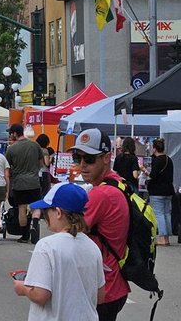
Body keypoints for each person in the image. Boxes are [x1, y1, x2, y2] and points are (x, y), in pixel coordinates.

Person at [13, 182, 105, 320]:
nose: (45, 217)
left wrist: (23, 288)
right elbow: (100, 296)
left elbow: (40, 295)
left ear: (58, 212)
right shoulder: (92, 247)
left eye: (46, 212)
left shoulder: (46, 246)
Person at [71, 128, 131, 320]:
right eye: (77, 158)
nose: (82, 165)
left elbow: (70, 231)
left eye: (89, 159)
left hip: (103, 286)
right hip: (114, 282)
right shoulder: (118, 183)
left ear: (106, 158)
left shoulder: (100, 194)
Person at [5, 124, 44, 244]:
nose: (10, 136)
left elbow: (8, 167)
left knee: (21, 208)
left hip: (19, 183)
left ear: (15, 133)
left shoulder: (11, 149)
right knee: (35, 206)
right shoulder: (35, 145)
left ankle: (25, 236)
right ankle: (35, 222)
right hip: (34, 181)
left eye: (11, 133)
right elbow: (41, 163)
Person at [147, 138, 175, 246]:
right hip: (168, 190)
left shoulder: (157, 161)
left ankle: (162, 237)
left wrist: (146, 171)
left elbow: (153, 175)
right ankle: (167, 237)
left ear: (154, 149)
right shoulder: (169, 159)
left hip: (157, 191)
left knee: (159, 213)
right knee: (167, 213)